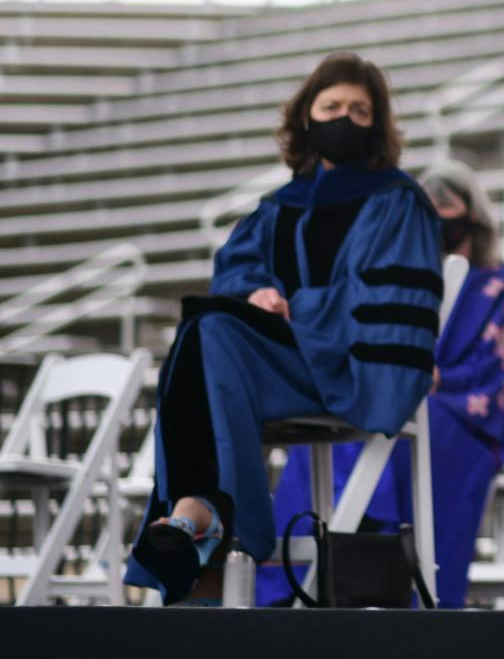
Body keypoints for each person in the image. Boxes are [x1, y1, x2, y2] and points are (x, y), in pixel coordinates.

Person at [125, 52, 442, 604]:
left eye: (360, 111)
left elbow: (380, 304)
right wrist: (256, 294)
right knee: (208, 328)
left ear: (377, 126)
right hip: (290, 365)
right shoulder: (279, 206)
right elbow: (238, 270)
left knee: (210, 331)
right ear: (306, 117)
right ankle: (205, 515)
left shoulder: (399, 202)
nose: (345, 118)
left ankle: (211, 529)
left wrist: (296, 308)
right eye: (332, 106)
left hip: (353, 368)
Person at [257, 162, 504, 607]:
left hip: (463, 416)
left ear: (474, 219)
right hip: (405, 396)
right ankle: (301, 571)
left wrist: (434, 378)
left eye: (448, 211)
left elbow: (495, 377)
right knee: (338, 419)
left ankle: (385, 557)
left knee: (404, 421)